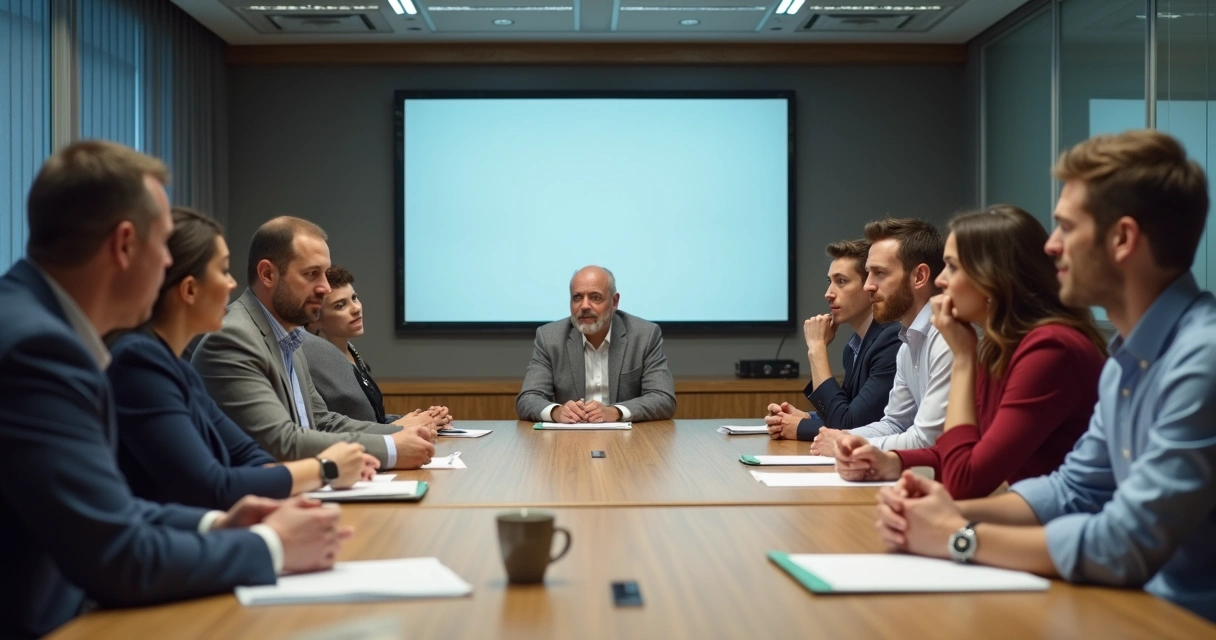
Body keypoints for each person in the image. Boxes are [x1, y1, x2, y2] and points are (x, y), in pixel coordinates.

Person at [0, 141, 349, 639]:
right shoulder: (39, 350)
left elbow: (108, 506)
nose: (169, 264)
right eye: (164, 245)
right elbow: (115, 554)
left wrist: (213, 527)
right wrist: (270, 545)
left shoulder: (37, 325)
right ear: (124, 245)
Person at [875, 130, 1216, 622]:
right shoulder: (1128, 358)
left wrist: (959, 536)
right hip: (1133, 607)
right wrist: (950, 510)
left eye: (1065, 227)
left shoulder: (1200, 361)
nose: (1051, 247)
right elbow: (1074, 489)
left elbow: (1126, 541)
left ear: (1122, 239)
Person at [108, 208, 379, 510]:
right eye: (223, 271)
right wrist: (325, 468)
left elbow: (251, 456)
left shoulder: (175, 367)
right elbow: (213, 485)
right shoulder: (140, 362)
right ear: (189, 289)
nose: (232, 284)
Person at [832, 206, 1107, 498]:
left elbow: (965, 477)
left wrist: (963, 357)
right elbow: (963, 451)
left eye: (952, 266)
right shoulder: (1000, 348)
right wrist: (892, 461)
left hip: (1053, 530)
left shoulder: (1049, 349)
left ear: (993, 278)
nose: (941, 281)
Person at [192, 217, 437, 469]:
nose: (325, 288)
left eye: (325, 274)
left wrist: (399, 434)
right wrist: (392, 449)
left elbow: (322, 422)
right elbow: (281, 442)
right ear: (267, 274)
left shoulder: (289, 337)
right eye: (312, 274)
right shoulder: (233, 339)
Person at [811, 218, 952, 456]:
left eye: (879, 273)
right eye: (868, 274)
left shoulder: (947, 337)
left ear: (919, 277)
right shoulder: (908, 341)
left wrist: (845, 444)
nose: (868, 286)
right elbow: (894, 423)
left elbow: (928, 438)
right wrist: (843, 437)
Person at [765, 238, 901, 440]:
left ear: (869, 286)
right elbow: (846, 413)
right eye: (830, 282)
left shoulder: (893, 339)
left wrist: (817, 348)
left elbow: (848, 424)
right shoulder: (854, 347)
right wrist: (807, 417)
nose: (828, 294)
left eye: (841, 281)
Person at [516, 265, 676, 423]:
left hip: (628, 441)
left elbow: (663, 398)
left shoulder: (644, 335)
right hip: (569, 440)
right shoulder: (550, 338)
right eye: (577, 297)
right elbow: (528, 398)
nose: (584, 306)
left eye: (595, 297)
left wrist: (615, 412)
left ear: (614, 302)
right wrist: (557, 412)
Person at [303, 264, 448, 426]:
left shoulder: (354, 356)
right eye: (340, 305)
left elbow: (373, 419)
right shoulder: (312, 365)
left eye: (354, 298)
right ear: (314, 320)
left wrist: (425, 419)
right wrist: (401, 426)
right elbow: (330, 429)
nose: (356, 308)